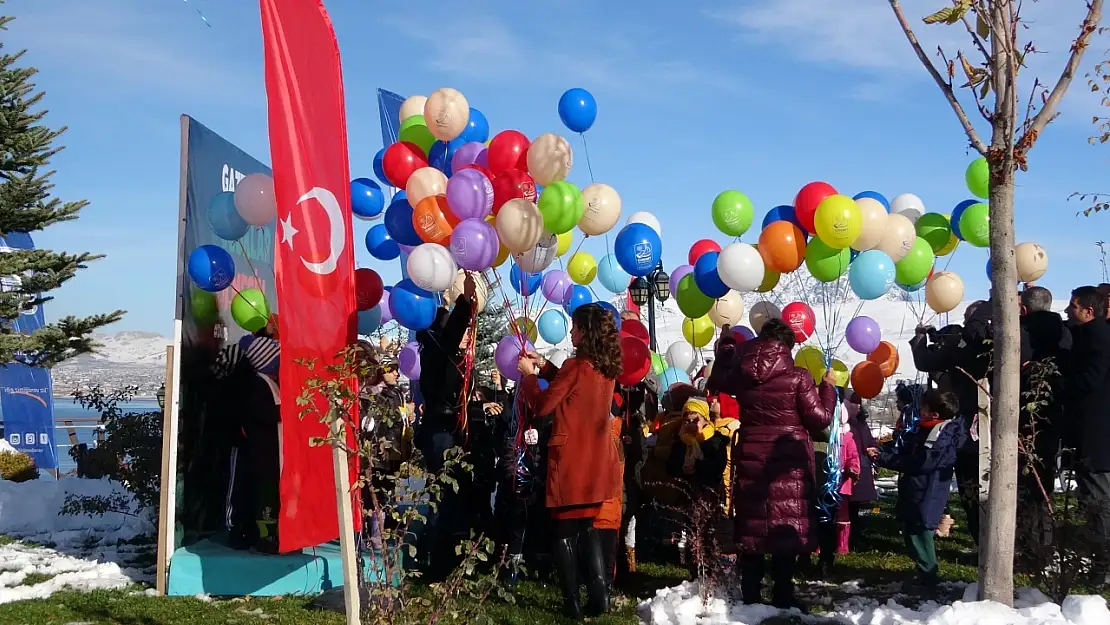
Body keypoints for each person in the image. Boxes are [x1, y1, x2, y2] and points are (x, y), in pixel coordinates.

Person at [706, 318, 835, 610]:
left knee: (752, 526)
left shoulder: (743, 371)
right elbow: (820, 419)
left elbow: (717, 379)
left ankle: (751, 594)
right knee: (784, 525)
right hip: (786, 461)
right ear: (788, 346)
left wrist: (727, 345)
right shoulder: (799, 378)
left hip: (752, 457)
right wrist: (828, 389)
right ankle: (782, 596)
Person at [517, 303, 623, 620]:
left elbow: (544, 405)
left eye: (575, 326)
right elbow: (573, 385)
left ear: (585, 332)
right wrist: (546, 367)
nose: (572, 331)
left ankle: (571, 603)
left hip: (571, 462)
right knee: (587, 527)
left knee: (563, 533)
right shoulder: (603, 368)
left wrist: (529, 378)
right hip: (596, 462)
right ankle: (600, 594)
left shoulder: (576, 366)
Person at [867, 389, 964, 594]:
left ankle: (929, 577)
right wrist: (883, 451)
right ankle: (924, 573)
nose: (920, 410)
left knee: (920, 534)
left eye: (923, 408)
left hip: (926, 492)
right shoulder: (925, 430)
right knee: (912, 532)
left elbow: (920, 463)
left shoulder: (941, 436)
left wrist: (885, 459)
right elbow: (905, 450)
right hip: (915, 490)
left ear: (934, 414)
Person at [415, 291, 474, 580]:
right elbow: (452, 335)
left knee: (450, 498)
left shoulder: (439, 353)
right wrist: (465, 302)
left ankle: (444, 560)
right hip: (440, 434)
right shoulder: (437, 350)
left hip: (447, 430)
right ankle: (436, 565)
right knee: (443, 497)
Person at [1065, 285, 1110, 586]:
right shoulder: (1089, 335)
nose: (1068, 311)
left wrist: (1059, 384)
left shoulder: (1097, 338)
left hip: (1095, 432)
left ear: (1088, 311)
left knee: (1099, 499)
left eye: (1073, 307)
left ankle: (1104, 563)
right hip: (1092, 431)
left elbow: (1091, 380)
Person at [844, 392, 877, 550]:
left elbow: (868, 441)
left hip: (862, 466)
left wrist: (874, 449)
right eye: (853, 402)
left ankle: (855, 537)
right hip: (850, 468)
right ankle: (847, 539)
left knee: (855, 507)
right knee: (847, 507)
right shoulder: (845, 423)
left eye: (858, 402)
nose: (856, 405)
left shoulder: (861, 422)